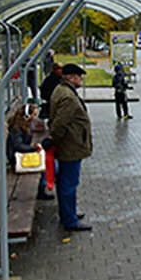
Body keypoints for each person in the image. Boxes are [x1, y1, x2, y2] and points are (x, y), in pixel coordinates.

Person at [49, 63, 94, 232]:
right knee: (69, 183)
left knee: (66, 182)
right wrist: (54, 139)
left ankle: (69, 213)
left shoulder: (62, 90)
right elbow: (60, 124)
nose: (80, 79)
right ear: (70, 78)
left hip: (70, 144)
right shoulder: (68, 96)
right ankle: (70, 220)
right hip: (71, 146)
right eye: (78, 76)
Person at [7, 104, 52, 200]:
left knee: (46, 160)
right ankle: (42, 190)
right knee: (45, 164)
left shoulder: (22, 125)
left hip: (19, 155)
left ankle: (43, 187)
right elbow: (18, 146)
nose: (36, 117)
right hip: (17, 160)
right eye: (34, 115)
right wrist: (33, 149)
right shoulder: (17, 128)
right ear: (27, 115)